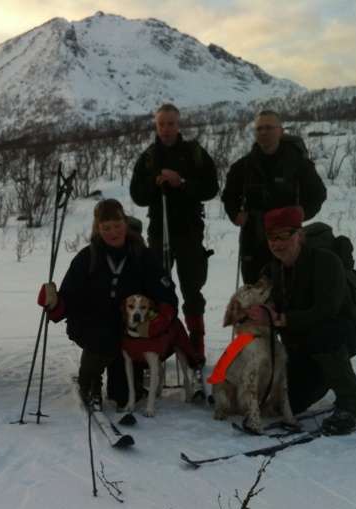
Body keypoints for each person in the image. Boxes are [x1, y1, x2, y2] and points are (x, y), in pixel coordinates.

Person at [38, 198, 179, 411]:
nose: (114, 232)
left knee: (123, 396)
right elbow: (70, 299)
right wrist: (54, 302)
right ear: (98, 228)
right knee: (104, 338)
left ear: (126, 222)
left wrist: (159, 321)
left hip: (131, 331)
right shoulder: (87, 257)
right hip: (92, 326)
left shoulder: (142, 255)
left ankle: (125, 377)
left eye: (118, 225)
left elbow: (166, 295)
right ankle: (89, 383)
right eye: (106, 228)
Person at [246, 207, 356, 435]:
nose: (277, 243)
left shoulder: (326, 263)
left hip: (343, 334)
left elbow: (326, 313)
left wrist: (278, 318)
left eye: (284, 235)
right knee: (285, 404)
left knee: (323, 335)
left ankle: (351, 408)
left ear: (299, 236)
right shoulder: (270, 271)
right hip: (301, 344)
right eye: (272, 236)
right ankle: (325, 375)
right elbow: (252, 310)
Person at [129, 103, 219, 369]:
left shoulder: (194, 153)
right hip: (159, 232)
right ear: (156, 127)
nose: (165, 129)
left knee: (192, 290)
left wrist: (184, 184)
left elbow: (211, 187)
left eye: (170, 124)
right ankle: (156, 340)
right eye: (161, 124)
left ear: (179, 125)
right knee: (158, 289)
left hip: (189, 232)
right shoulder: (149, 156)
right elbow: (137, 195)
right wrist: (156, 181)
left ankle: (196, 343)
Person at [222, 109, 327, 284]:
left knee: (288, 286)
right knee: (254, 290)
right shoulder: (243, 166)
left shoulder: (298, 163)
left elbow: (318, 193)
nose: (263, 132)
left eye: (268, 128)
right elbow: (229, 195)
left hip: (287, 235)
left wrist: (304, 212)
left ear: (280, 131)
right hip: (253, 237)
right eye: (259, 129)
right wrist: (235, 214)